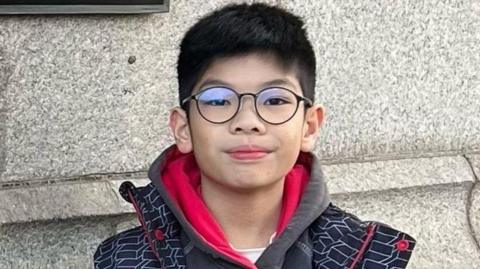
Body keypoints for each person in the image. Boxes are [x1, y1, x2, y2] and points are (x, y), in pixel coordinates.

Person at [94, 3, 415, 269]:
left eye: (275, 100)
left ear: (309, 126)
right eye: (218, 100)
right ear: (183, 128)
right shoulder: (121, 260)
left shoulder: (372, 256)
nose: (247, 122)